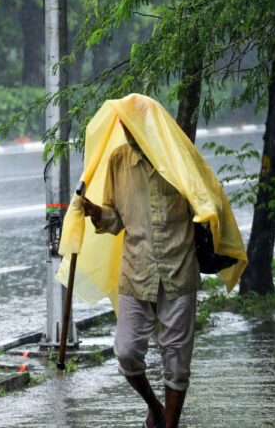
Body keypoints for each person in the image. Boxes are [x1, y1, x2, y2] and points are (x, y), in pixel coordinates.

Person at [81, 122, 200, 428]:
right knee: (127, 351)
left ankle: (170, 424)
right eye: (127, 128)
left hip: (179, 269)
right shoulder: (118, 161)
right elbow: (114, 218)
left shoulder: (179, 156)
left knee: (176, 361)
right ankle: (154, 407)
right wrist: (97, 212)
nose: (132, 134)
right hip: (136, 272)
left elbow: (205, 202)